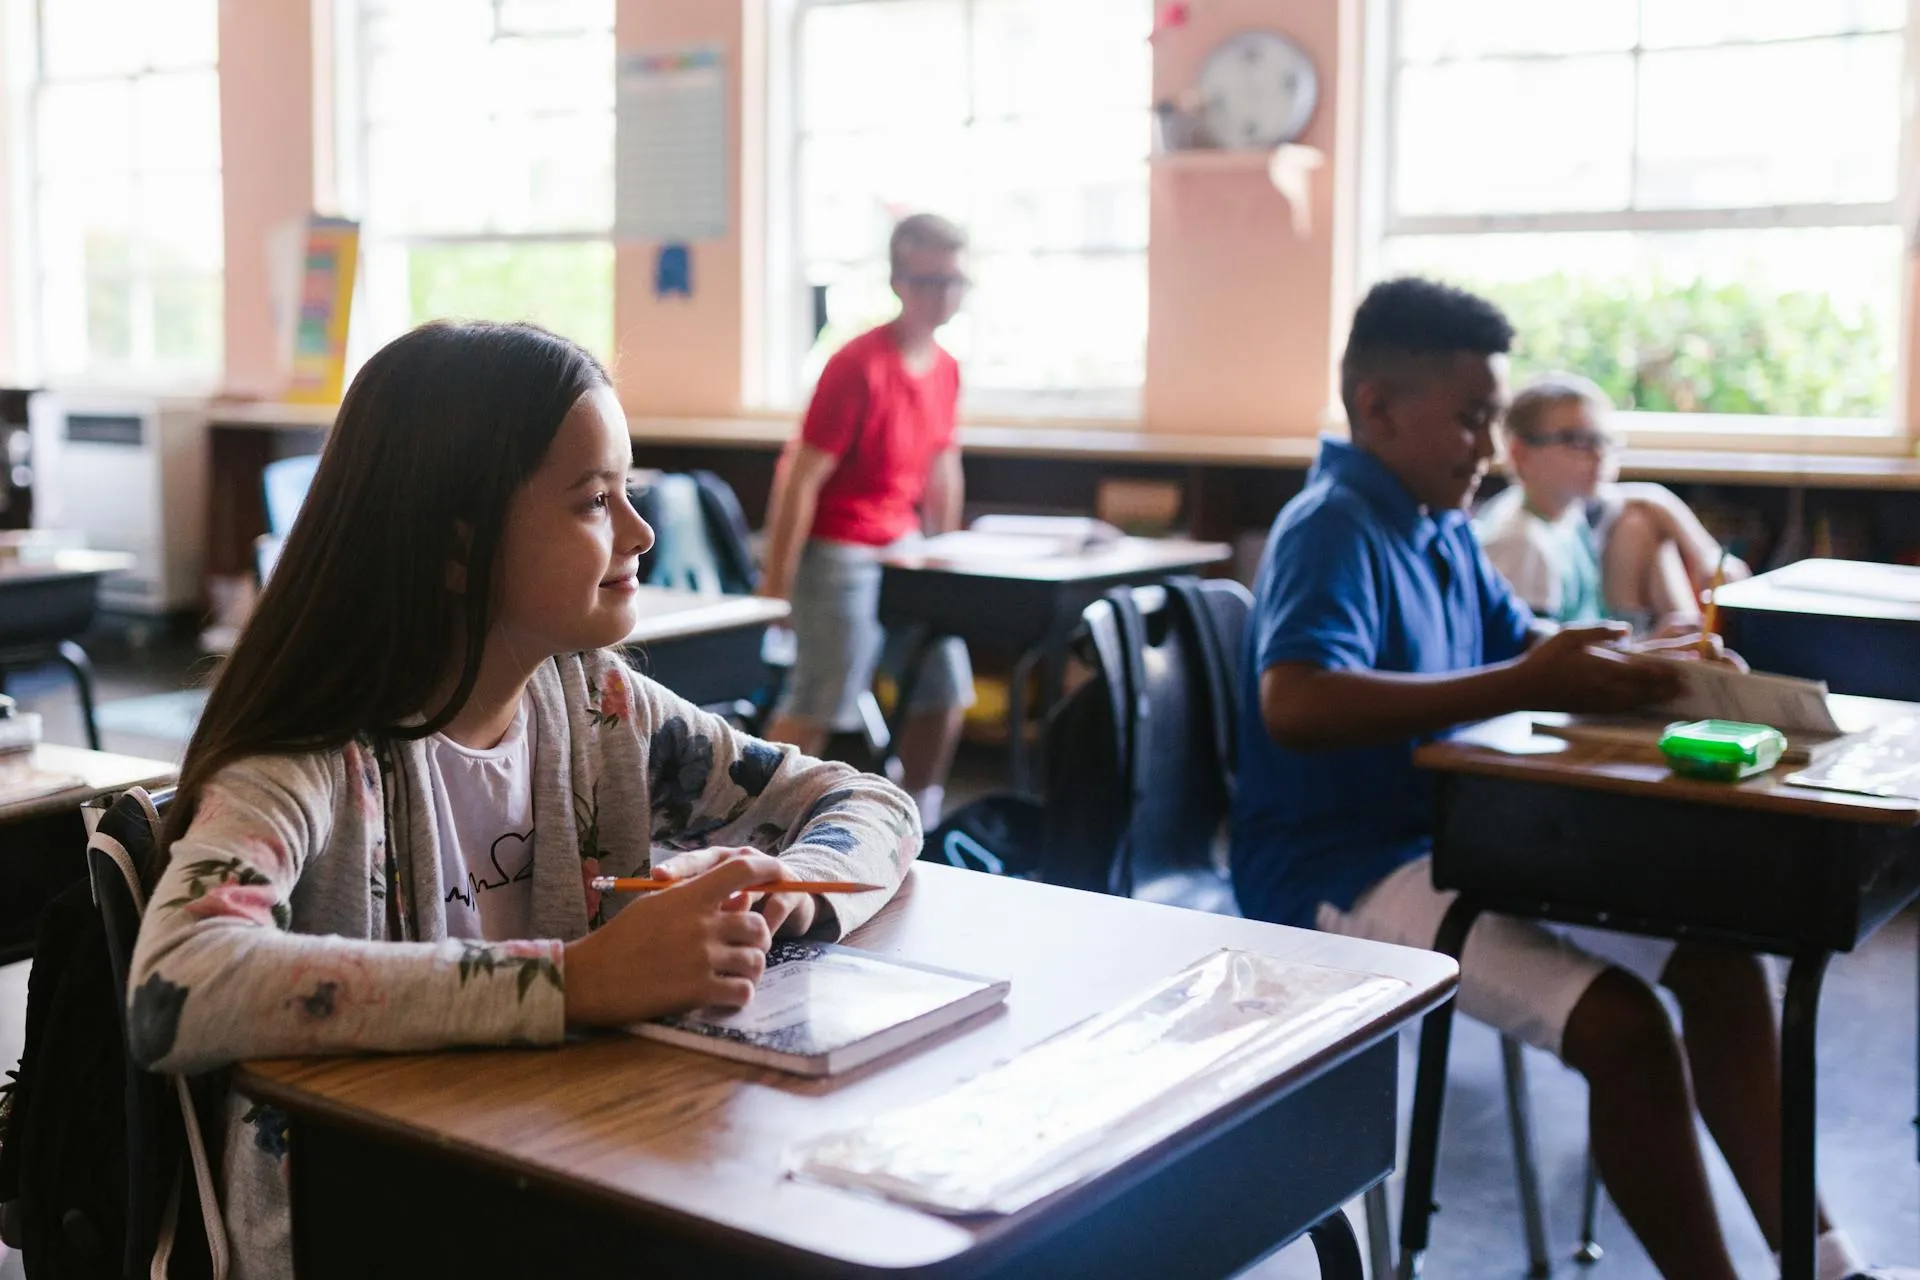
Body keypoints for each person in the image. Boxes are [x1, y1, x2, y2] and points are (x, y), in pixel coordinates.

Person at [128, 322, 919, 1280]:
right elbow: (176, 987)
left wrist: (801, 889)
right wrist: (577, 981)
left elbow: (867, 800)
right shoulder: (308, 759)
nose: (640, 531)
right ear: (457, 537)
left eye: (630, 491)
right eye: (595, 500)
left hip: (549, 1169)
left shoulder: (598, 703)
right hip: (367, 1226)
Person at [1230, 278, 1909, 1280]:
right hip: (1344, 869)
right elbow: (1297, 698)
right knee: (1624, 1029)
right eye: (1468, 420)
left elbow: (1526, 646)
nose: (1483, 445)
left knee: (1719, 957)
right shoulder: (1333, 523)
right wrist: (1528, 674)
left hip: (1464, 843)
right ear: (1376, 408)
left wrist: (1644, 658)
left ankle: (1828, 1262)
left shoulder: (1438, 523)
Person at [758, 213, 975, 828]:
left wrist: (946, 553)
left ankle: (918, 819)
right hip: (839, 547)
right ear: (899, 281)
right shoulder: (857, 365)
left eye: (955, 281)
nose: (945, 296)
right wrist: (777, 588)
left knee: (945, 683)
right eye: (931, 281)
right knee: (822, 693)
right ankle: (760, 822)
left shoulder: (946, 368)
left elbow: (942, 465)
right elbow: (801, 479)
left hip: (903, 545)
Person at [1476, 371, 1748, 629]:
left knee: (1638, 523)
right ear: (1521, 454)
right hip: (1572, 668)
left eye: (1603, 440)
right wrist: (1646, 649)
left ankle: (1693, 642)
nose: (1598, 455)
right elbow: (1540, 664)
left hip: (1590, 646)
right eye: (1577, 440)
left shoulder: (1562, 506)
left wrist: (1705, 555)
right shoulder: (1522, 544)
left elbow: (1648, 498)